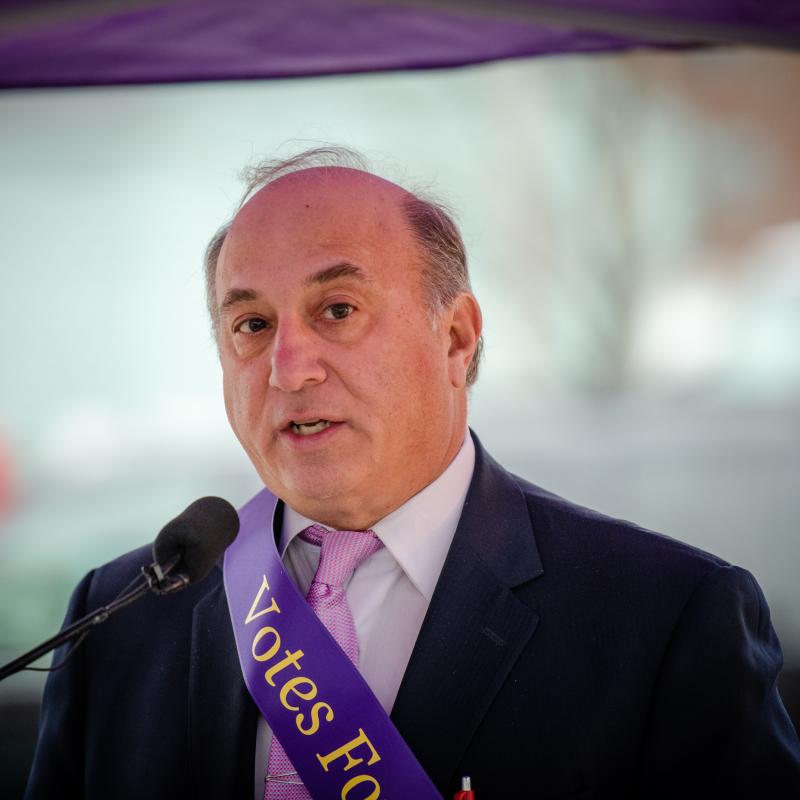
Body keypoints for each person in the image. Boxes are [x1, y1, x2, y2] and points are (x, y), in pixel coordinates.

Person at [25, 147, 800, 799]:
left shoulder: (664, 622)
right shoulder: (119, 620)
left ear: (457, 338)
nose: (288, 369)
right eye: (252, 326)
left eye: (337, 310)